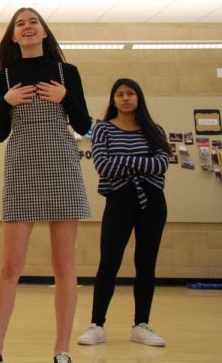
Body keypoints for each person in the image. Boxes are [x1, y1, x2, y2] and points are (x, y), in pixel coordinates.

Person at [0, 7, 91, 363]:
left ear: (44, 32)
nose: (27, 27)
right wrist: (5, 103)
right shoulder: (6, 77)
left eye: (33, 22)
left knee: (64, 266)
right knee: (10, 265)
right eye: (19, 24)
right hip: (22, 168)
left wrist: (65, 97)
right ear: (13, 36)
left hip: (62, 167)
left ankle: (62, 350)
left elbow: (84, 124)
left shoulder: (65, 72)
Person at [77, 78, 169, 348]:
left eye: (130, 93)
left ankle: (141, 324)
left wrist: (125, 162)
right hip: (119, 199)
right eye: (120, 94)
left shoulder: (154, 130)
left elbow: (162, 163)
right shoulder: (103, 129)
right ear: (113, 99)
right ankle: (97, 324)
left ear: (139, 97)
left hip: (152, 201)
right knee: (109, 262)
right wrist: (142, 164)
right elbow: (104, 166)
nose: (125, 98)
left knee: (146, 263)